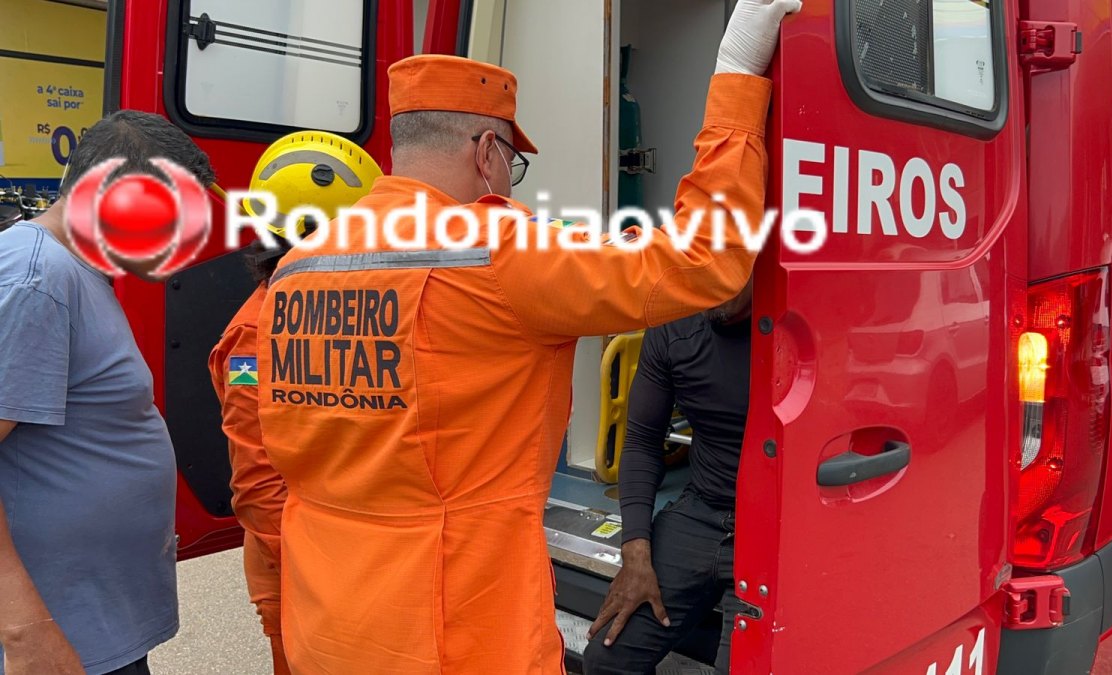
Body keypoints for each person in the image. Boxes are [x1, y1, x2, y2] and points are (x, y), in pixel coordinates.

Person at [255, 1, 800, 672]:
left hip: (327, 629)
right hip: (456, 634)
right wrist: (740, 70)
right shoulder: (492, 248)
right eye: (513, 165)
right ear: (487, 152)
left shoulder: (298, 268)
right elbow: (704, 260)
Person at [0, 110, 215, 675]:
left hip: (87, 627)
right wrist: (25, 632)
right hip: (54, 638)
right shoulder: (37, 277)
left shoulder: (73, 272)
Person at [206, 131, 383, 675]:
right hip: (301, 576)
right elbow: (258, 484)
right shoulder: (255, 337)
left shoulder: (343, 312)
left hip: (357, 564)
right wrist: (320, 578)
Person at [582, 279, 753, 675]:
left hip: (776, 528)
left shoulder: (794, 331)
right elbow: (642, 440)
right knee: (606, 661)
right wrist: (635, 551)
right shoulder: (675, 326)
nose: (713, 280)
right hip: (701, 513)